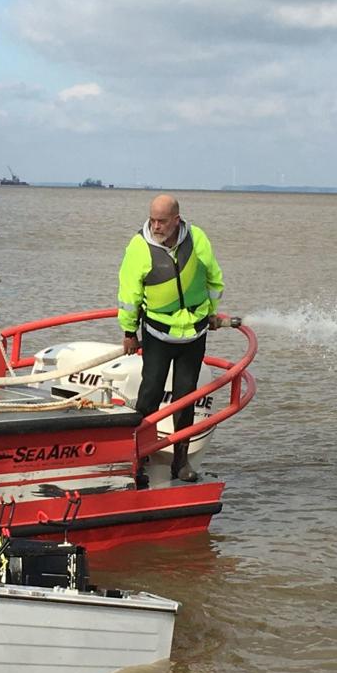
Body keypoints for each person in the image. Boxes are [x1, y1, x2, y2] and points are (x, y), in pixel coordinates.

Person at [117, 193, 224, 483]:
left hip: (194, 333)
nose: (156, 226)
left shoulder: (197, 238)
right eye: (152, 220)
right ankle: (137, 459)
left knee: (185, 397)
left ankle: (181, 462)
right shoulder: (139, 247)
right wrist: (129, 332)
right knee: (149, 393)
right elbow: (129, 295)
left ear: (176, 220)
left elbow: (214, 279)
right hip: (157, 334)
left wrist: (212, 313)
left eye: (162, 221)